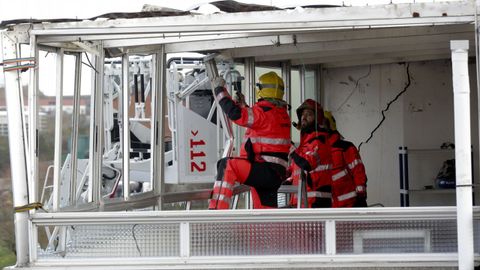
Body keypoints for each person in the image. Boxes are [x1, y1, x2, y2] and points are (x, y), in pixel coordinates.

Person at [209, 71, 291, 209]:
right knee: (265, 214)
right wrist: (243, 105)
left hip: (264, 169)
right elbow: (259, 122)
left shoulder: (263, 112)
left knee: (227, 165)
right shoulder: (281, 114)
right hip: (275, 174)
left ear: (261, 90)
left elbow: (235, 114)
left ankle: (216, 211)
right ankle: (269, 230)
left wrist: (219, 90)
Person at [287, 99, 333, 208]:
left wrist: (293, 152)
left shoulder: (319, 140)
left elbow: (307, 164)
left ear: (318, 119)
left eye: (309, 114)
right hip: (302, 203)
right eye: (302, 114)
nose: (304, 117)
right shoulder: (304, 144)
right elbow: (297, 171)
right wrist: (288, 179)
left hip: (316, 203)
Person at [324, 111, 368, 207]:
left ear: (330, 126)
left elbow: (358, 172)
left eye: (323, 123)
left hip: (350, 207)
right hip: (326, 210)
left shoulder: (345, 147)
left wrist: (360, 197)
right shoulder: (313, 153)